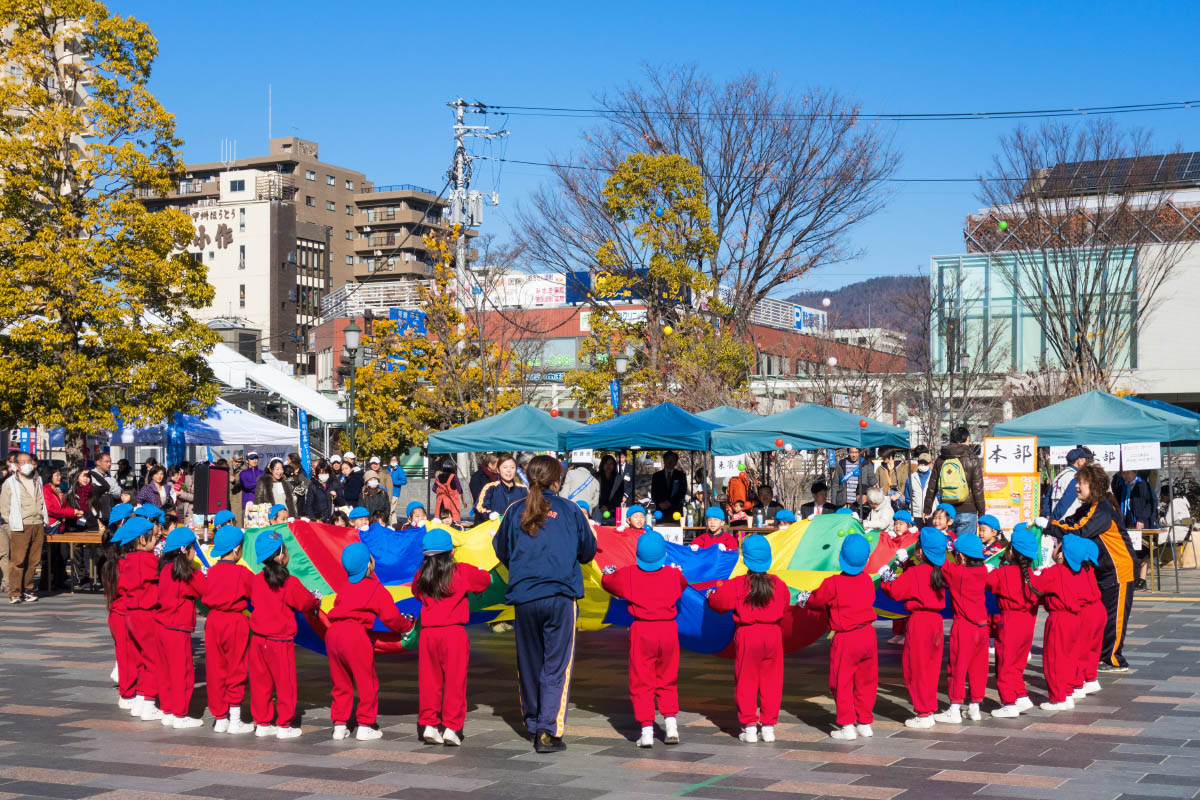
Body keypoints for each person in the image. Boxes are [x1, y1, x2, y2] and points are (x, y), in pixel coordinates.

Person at [492, 455, 597, 754]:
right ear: (557, 480)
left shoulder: (514, 511)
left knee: (529, 662)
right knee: (556, 665)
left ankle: (534, 720)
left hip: (525, 596)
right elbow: (588, 551)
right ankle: (548, 731)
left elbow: (501, 550)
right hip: (560, 597)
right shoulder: (571, 510)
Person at [1041, 463, 1136, 672]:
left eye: (1081, 483)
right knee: (1101, 615)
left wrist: (1050, 526)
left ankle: (1114, 659)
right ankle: (1100, 655)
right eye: (1077, 483)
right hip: (1103, 569)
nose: (1077, 487)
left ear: (1093, 485)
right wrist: (1052, 524)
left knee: (1114, 617)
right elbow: (1070, 521)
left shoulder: (1102, 509)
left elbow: (1080, 530)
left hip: (1119, 569)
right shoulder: (1088, 507)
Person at [601, 530, 689, 748]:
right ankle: (671, 724)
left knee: (642, 681)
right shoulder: (672, 575)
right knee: (667, 678)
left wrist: (607, 572)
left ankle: (647, 730)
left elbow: (608, 583)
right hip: (668, 631)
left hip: (642, 631)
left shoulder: (629, 574)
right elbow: (683, 584)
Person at [327, 542, 414, 742]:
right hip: (355, 636)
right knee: (367, 681)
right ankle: (365, 725)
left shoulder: (345, 585)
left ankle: (339, 725)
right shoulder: (374, 587)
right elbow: (391, 617)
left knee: (340, 682)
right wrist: (406, 627)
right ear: (368, 565)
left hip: (333, 634)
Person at [706, 535, 788, 744]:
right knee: (773, 682)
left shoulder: (737, 584)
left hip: (748, 635)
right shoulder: (779, 584)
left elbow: (717, 604)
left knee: (746, 681)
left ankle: (750, 726)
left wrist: (710, 594)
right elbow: (785, 606)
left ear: (745, 559)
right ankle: (768, 727)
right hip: (773, 636)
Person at [411, 529, 491, 745]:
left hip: (428, 634)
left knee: (429, 681)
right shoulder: (461, 571)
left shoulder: (421, 576)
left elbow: (415, 593)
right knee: (455, 682)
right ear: (452, 552)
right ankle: (452, 728)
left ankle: (429, 724)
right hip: (453, 633)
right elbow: (485, 580)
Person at [797, 533, 876, 741]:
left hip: (846, 637)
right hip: (868, 634)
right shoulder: (868, 580)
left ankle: (847, 724)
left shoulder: (833, 582)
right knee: (866, 681)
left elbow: (816, 601)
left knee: (841, 681)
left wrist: (804, 598)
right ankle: (865, 722)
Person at [249, 531, 320, 739]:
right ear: (281, 555)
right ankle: (284, 724)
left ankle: (262, 722)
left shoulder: (256, 580)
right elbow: (306, 602)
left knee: (261, 684)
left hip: (258, 640)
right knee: (285, 683)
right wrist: (317, 600)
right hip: (280, 641)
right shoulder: (289, 582)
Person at [880, 527, 947, 729]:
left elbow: (895, 590)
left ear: (920, 552)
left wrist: (886, 576)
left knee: (915, 668)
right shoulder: (940, 571)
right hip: (936, 624)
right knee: (931, 668)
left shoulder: (917, 572)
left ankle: (923, 712)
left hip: (919, 623)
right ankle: (929, 708)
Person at [203, 524, 256, 734]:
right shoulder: (242, 572)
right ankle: (234, 717)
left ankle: (220, 717)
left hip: (213, 621)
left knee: (215, 669)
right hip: (235, 622)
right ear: (236, 549)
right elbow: (256, 592)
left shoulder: (212, 572)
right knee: (237, 666)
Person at [986, 524, 1040, 718]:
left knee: (1005, 663)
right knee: (1017, 663)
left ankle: (1009, 702)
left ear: (1011, 552)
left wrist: (988, 568)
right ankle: (1020, 695)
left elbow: (987, 581)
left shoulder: (1004, 573)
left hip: (1009, 622)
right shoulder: (1032, 576)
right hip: (1028, 623)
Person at [934, 532, 988, 724]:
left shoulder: (958, 573)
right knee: (978, 668)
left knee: (957, 667)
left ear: (962, 557)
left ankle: (954, 708)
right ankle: (975, 706)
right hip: (982, 628)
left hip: (964, 627)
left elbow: (940, 561)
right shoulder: (983, 572)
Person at [156, 527, 207, 729]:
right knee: (182, 673)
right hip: (178, 629)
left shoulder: (165, 569)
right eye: (193, 548)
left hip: (161, 626)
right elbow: (206, 590)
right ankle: (180, 713)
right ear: (186, 550)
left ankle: (168, 709)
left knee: (165, 671)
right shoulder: (187, 574)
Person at [1028, 535, 1084, 711]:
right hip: (1074, 618)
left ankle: (1058, 698)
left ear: (1062, 555)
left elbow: (1035, 585)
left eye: (1056, 546)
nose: (1053, 549)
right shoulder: (1077, 571)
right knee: (1068, 658)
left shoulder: (1056, 572)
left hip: (1059, 619)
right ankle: (1066, 693)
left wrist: (1029, 571)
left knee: (1054, 659)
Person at [117, 516, 163, 721]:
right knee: (153, 658)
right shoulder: (149, 560)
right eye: (153, 537)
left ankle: (141, 699)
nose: (156, 539)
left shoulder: (126, 560)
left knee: (142, 656)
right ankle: (149, 702)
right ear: (142, 540)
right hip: (147, 613)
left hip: (130, 613)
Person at [102, 512, 143, 710]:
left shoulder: (112, 564)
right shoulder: (124, 565)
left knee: (125, 655)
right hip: (123, 614)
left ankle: (129, 690)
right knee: (127, 656)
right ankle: (127, 694)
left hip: (116, 614)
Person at [2, 451, 49, 603]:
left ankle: (28, 589)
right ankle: (15, 592)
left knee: (34, 560)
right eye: (22, 462)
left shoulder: (38, 479)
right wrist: (11, 523)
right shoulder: (10, 482)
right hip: (20, 525)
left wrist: (43, 518)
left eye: (28, 461)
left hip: (37, 523)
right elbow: (4, 507)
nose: (26, 464)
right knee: (18, 560)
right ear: (16, 465)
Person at [922, 427, 985, 536]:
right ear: (967, 439)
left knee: (946, 547)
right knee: (965, 549)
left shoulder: (941, 459)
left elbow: (932, 486)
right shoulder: (972, 459)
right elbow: (977, 489)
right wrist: (981, 512)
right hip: (968, 510)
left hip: (946, 511)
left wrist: (927, 509)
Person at [1112, 468, 1155, 588]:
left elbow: (1151, 504)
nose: (1124, 476)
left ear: (1135, 472)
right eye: (1123, 473)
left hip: (1141, 521)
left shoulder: (1143, 484)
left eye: (1127, 473)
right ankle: (1133, 576)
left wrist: (1142, 518)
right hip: (1126, 520)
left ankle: (1142, 579)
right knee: (1130, 549)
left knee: (1143, 549)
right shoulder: (1121, 485)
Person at [1075, 538, 1106, 699]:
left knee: (1080, 648)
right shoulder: (1089, 570)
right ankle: (1090, 677)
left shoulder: (1076, 571)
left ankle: (1078, 683)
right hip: (1098, 609)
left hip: (1086, 611)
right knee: (1093, 647)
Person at [475, 453, 528, 521]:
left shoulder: (523, 489)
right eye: (505, 467)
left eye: (512, 467)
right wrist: (490, 515)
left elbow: (530, 509)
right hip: (495, 529)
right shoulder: (490, 488)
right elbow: (479, 507)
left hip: (516, 529)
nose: (509, 471)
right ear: (498, 470)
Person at [1049, 447, 1093, 521]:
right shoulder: (1076, 476)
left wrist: (1048, 515)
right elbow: (1065, 502)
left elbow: (1048, 497)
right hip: (1067, 522)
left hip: (1057, 522)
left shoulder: (1059, 475)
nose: (1088, 463)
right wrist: (1052, 520)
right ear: (1079, 460)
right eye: (1086, 460)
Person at [650, 452, 687, 516]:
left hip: (676, 509)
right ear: (664, 460)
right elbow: (653, 492)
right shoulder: (656, 475)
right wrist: (659, 503)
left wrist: (670, 502)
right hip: (660, 509)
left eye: (673, 459)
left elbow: (682, 491)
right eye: (668, 459)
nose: (670, 461)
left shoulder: (681, 475)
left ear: (676, 462)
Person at [468, 454, 499, 522]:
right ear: (490, 465)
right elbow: (477, 496)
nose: (500, 467)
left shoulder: (500, 476)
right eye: (498, 464)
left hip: (498, 515)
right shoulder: (477, 477)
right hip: (482, 516)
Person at [595, 454, 625, 523]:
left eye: (611, 463)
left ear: (614, 466)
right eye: (606, 463)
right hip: (597, 510)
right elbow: (593, 494)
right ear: (602, 465)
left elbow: (619, 496)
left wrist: (609, 507)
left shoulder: (619, 479)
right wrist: (601, 506)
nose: (608, 466)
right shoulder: (596, 477)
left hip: (612, 511)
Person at [905, 452, 935, 517]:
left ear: (930, 463)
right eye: (921, 463)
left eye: (926, 463)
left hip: (931, 514)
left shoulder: (934, 477)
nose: (923, 465)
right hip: (915, 514)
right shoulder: (911, 478)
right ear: (918, 463)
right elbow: (908, 498)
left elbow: (938, 496)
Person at [234, 452, 264, 516]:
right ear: (247, 461)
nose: (254, 460)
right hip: (247, 504)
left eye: (256, 458)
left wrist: (254, 485)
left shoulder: (262, 473)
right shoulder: (243, 473)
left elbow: (264, 486)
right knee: (248, 525)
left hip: (260, 504)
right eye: (252, 459)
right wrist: (259, 483)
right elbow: (246, 486)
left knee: (261, 525)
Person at [386, 455, 408, 524]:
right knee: (392, 511)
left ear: (397, 461)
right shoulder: (388, 469)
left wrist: (394, 482)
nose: (393, 461)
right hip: (387, 492)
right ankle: (394, 524)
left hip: (395, 493)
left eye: (395, 460)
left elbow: (404, 481)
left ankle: (389, 525)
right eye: (392, 460)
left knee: (390, 510)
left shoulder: (400, 470)